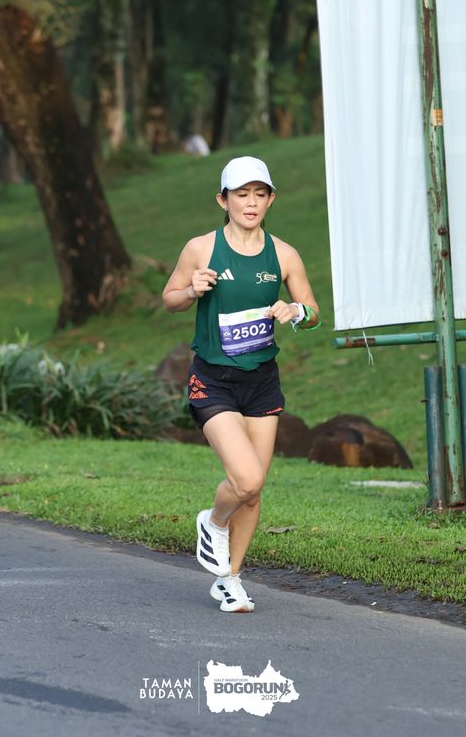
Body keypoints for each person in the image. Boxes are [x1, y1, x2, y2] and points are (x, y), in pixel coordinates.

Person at [162, 155, 319, 613]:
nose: (251, 203)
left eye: (259, 194)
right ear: (223, 200)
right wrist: (191, 290)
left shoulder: (284, 255)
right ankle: (213, 522)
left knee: (253, 490)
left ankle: (229, 579)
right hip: (213, 380)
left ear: (271, 199)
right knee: (245, 477)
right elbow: (170, 299)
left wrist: (296, 311)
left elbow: (313, 312)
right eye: (241, 194)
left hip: (261, 382)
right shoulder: (201, 249)